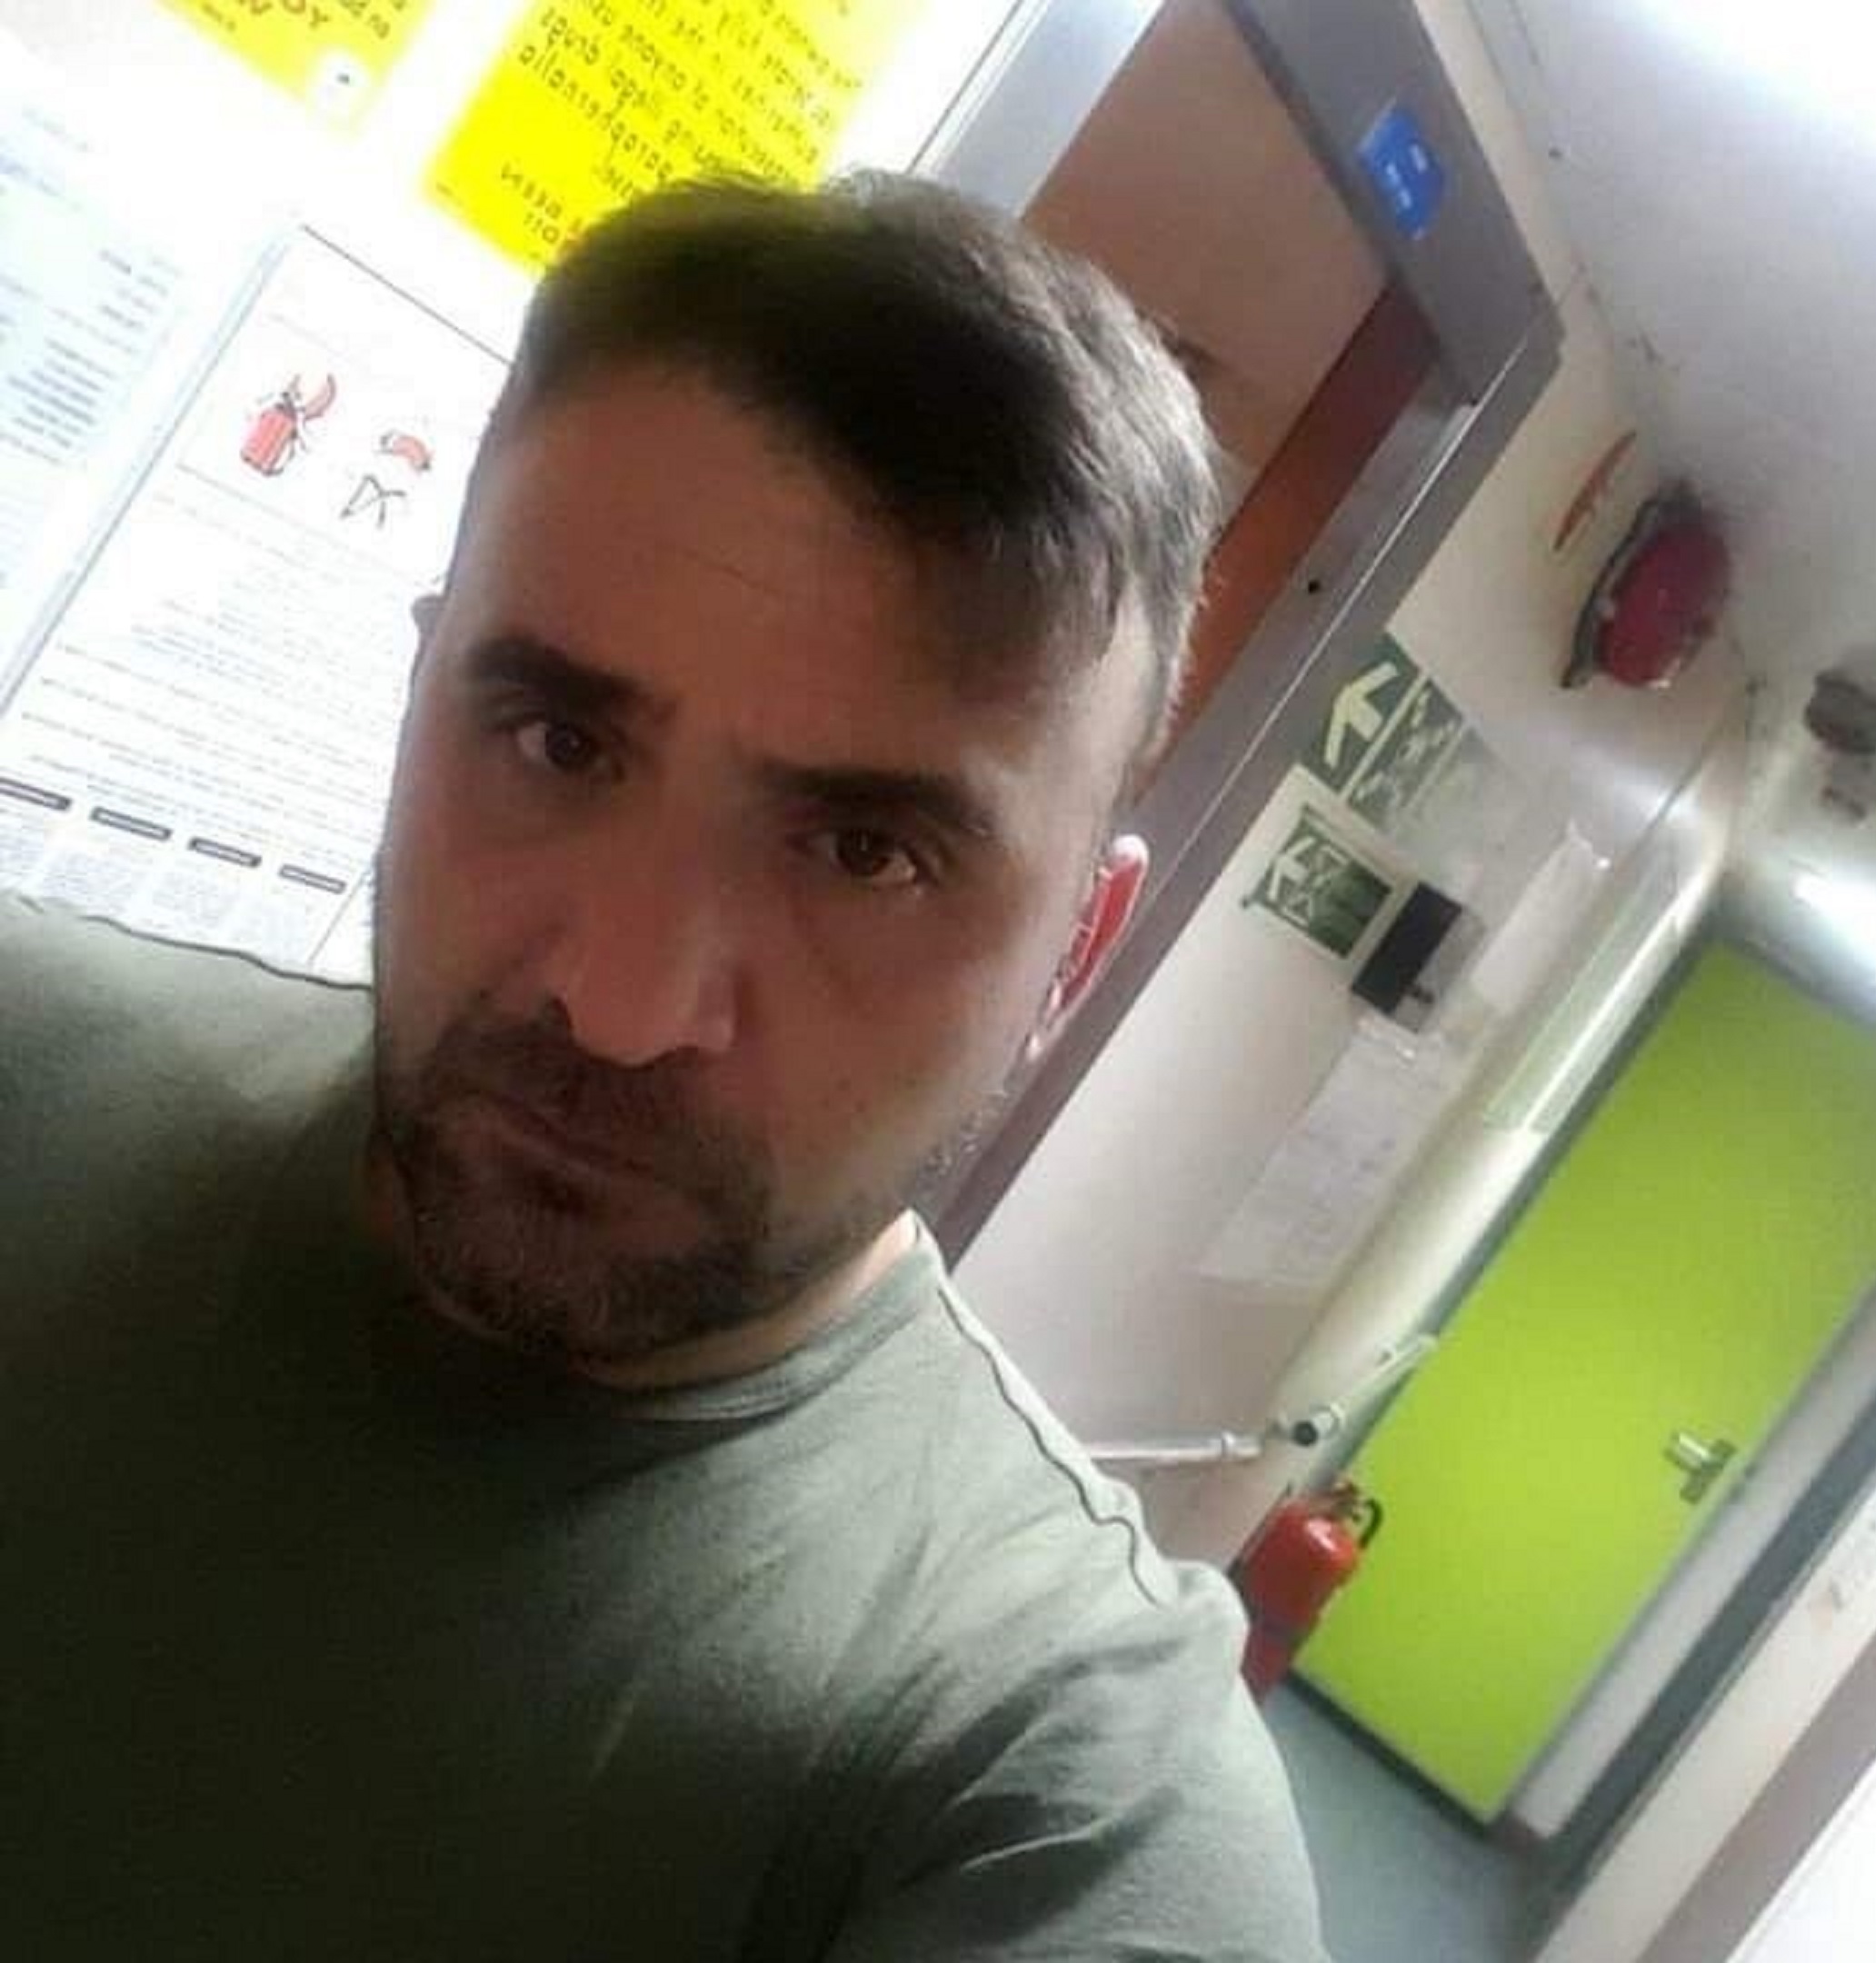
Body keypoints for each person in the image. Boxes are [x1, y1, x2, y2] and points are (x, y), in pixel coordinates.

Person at [0, 174, 1326, 1959]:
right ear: (420, 703)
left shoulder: (1051, 1785)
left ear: (1068, 963)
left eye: (866, 854)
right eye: (557, 742)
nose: (624, 1004)